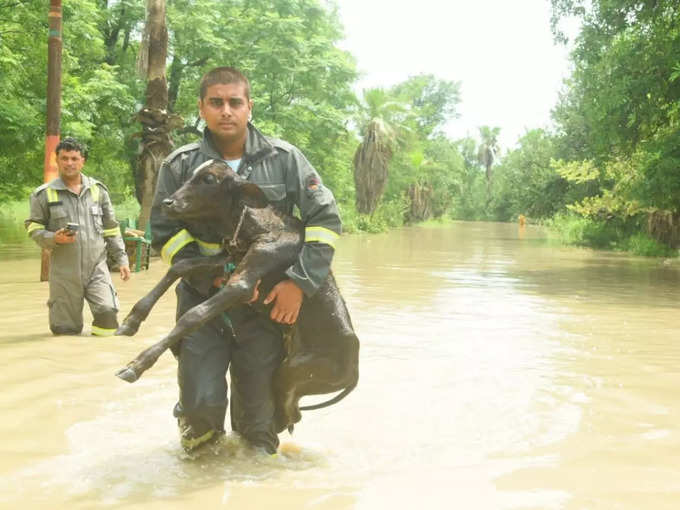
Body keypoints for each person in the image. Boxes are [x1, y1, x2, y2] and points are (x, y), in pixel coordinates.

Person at [151, 67, 342, 454]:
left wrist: (299, 284)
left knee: (260, 424)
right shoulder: (180, 165)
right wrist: (216, 281)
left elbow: (324, 222)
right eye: (216, 102)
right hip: (203, 305)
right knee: (199, 410)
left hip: (265, 309)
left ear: (249, 107)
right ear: (201, 108)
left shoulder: (286, 160)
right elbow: (164, 234)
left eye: (235, 102)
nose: (226, 110)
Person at [25, 137, 131, 336]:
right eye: (64, 158)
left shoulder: (98, 191)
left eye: (74, 158)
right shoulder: (43, 194)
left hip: (96, 268)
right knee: (65, 331)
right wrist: (53, 238)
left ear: (83, 161)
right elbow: (33, 228)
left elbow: (111, 228)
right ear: (57, 160)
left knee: (108, 318)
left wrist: (122, 259)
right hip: (64, 273)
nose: (69, 163)